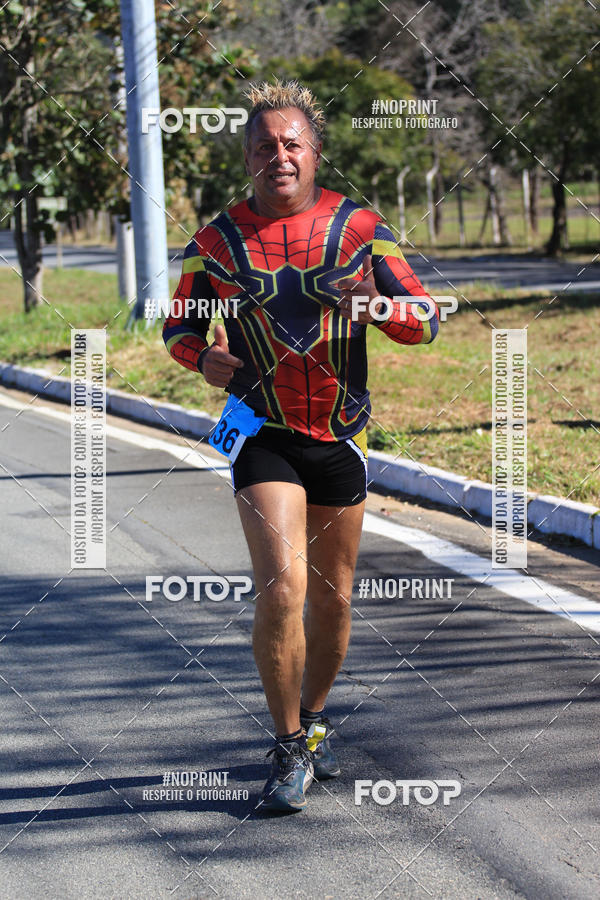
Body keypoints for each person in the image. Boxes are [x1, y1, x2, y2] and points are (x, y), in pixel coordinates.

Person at [163, 80, 440, 813]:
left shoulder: (362, 228)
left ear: (315, 153)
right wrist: (201, 357)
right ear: (247, 158)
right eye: (264, 146)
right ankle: (287, 744)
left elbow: (425, 319)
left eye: (292, 144)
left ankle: (314, 722)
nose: (278, 157)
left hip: (341, 435)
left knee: (332, 600)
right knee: (282, 589)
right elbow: (178, 327)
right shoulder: (214, 242)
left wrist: (376, 306)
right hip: (263, 432)